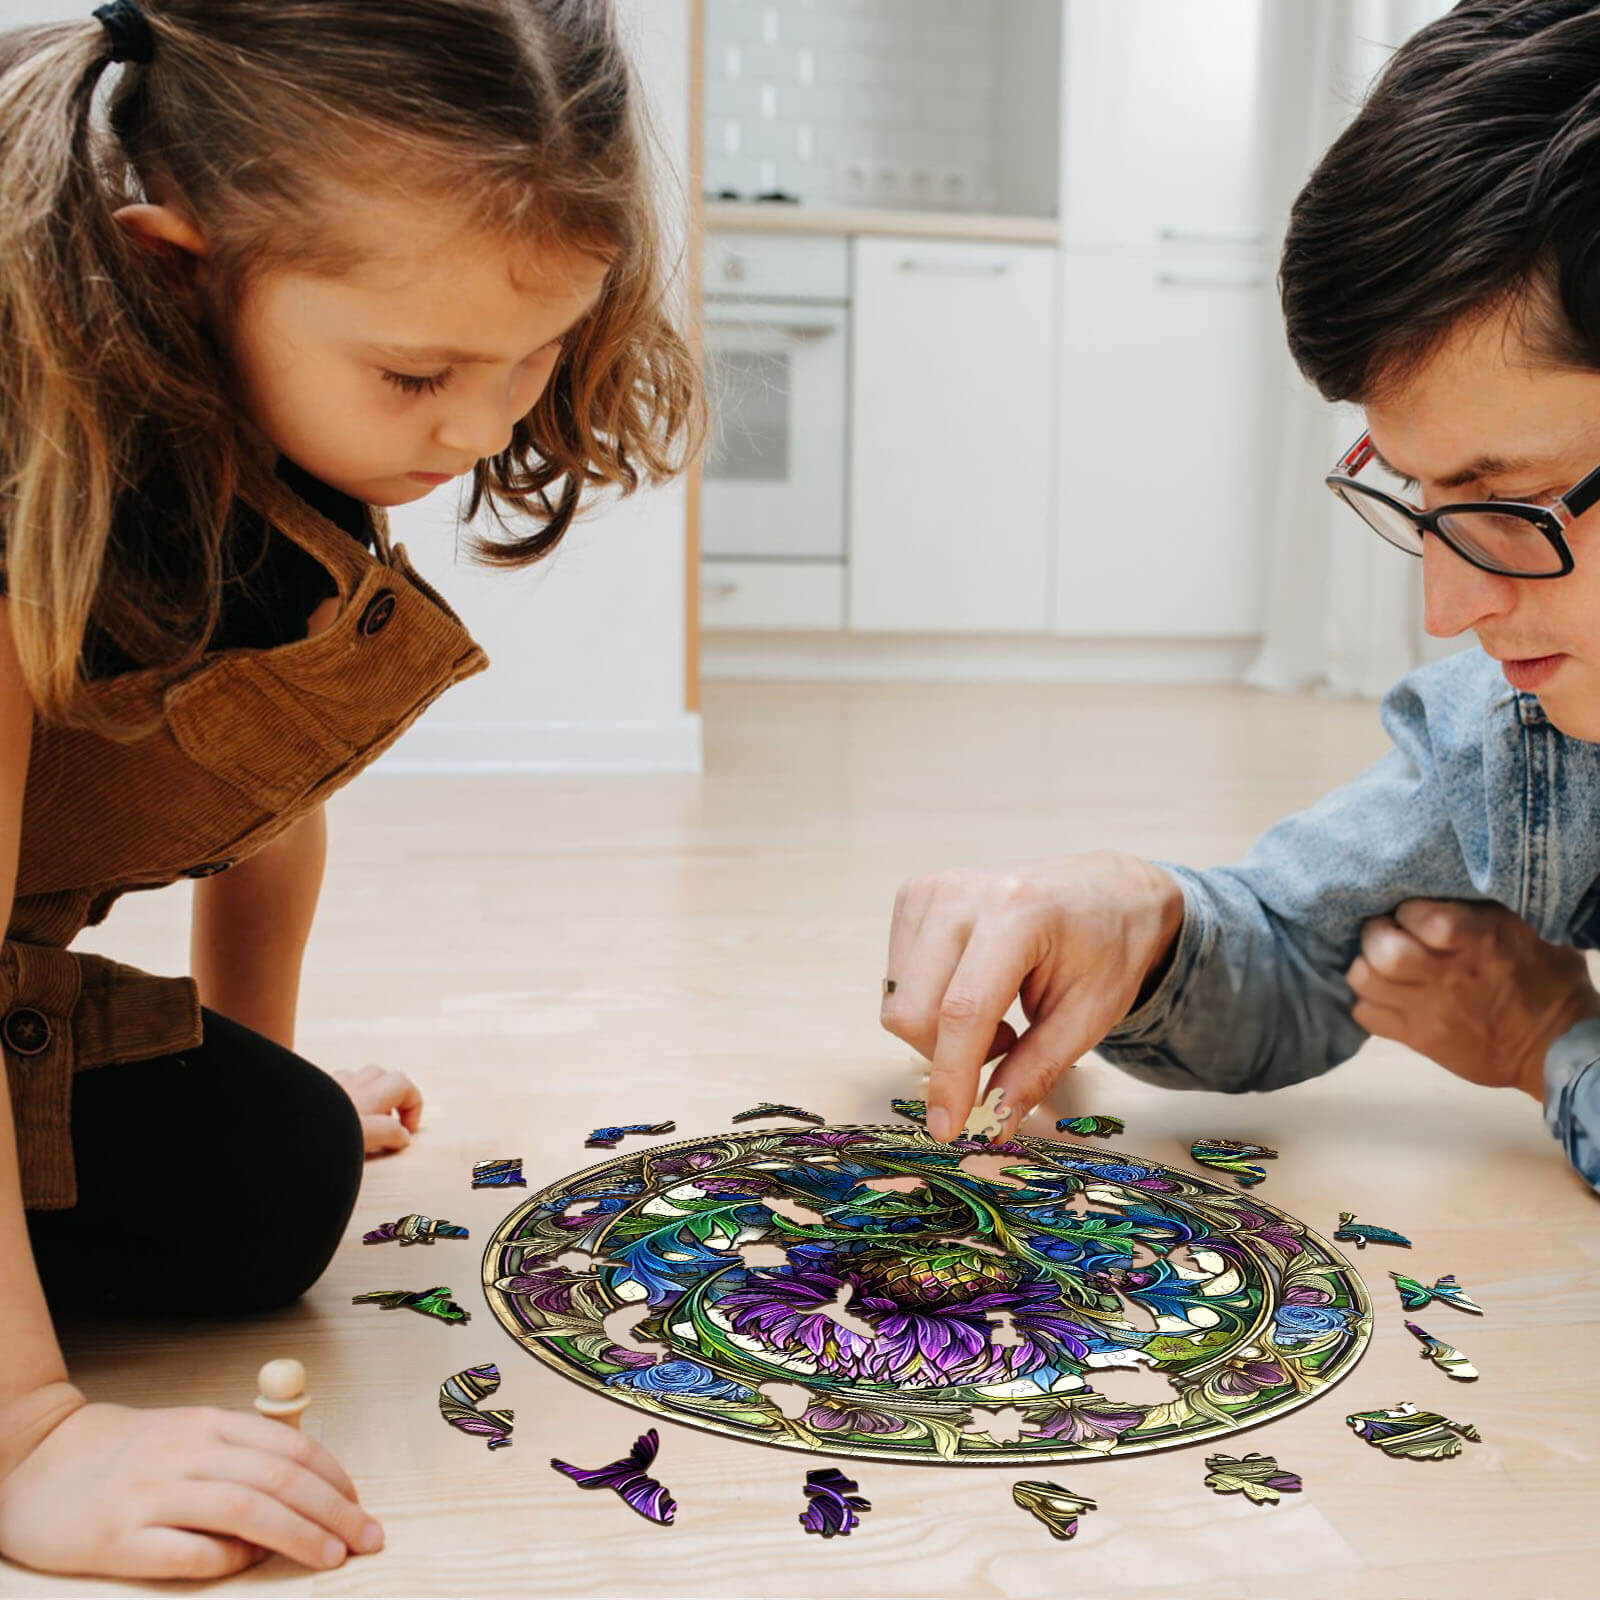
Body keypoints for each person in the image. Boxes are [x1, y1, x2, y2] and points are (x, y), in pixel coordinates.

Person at [0, 0, 698, 1581]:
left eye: (538, 358)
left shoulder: (260, 414)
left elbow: (264, 769)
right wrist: (29, 1432)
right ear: (177, 266)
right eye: (420, 373)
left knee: (275, 1175)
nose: (483, 424)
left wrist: (251, 1065)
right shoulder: (16, 462)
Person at [881, 0, 1600, 1203]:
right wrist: (1137, 921)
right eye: (1420, 500)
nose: (1447, 609)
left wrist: (1548, 1048)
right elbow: (1297, 942)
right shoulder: (1516, 735)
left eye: (1509, 502)